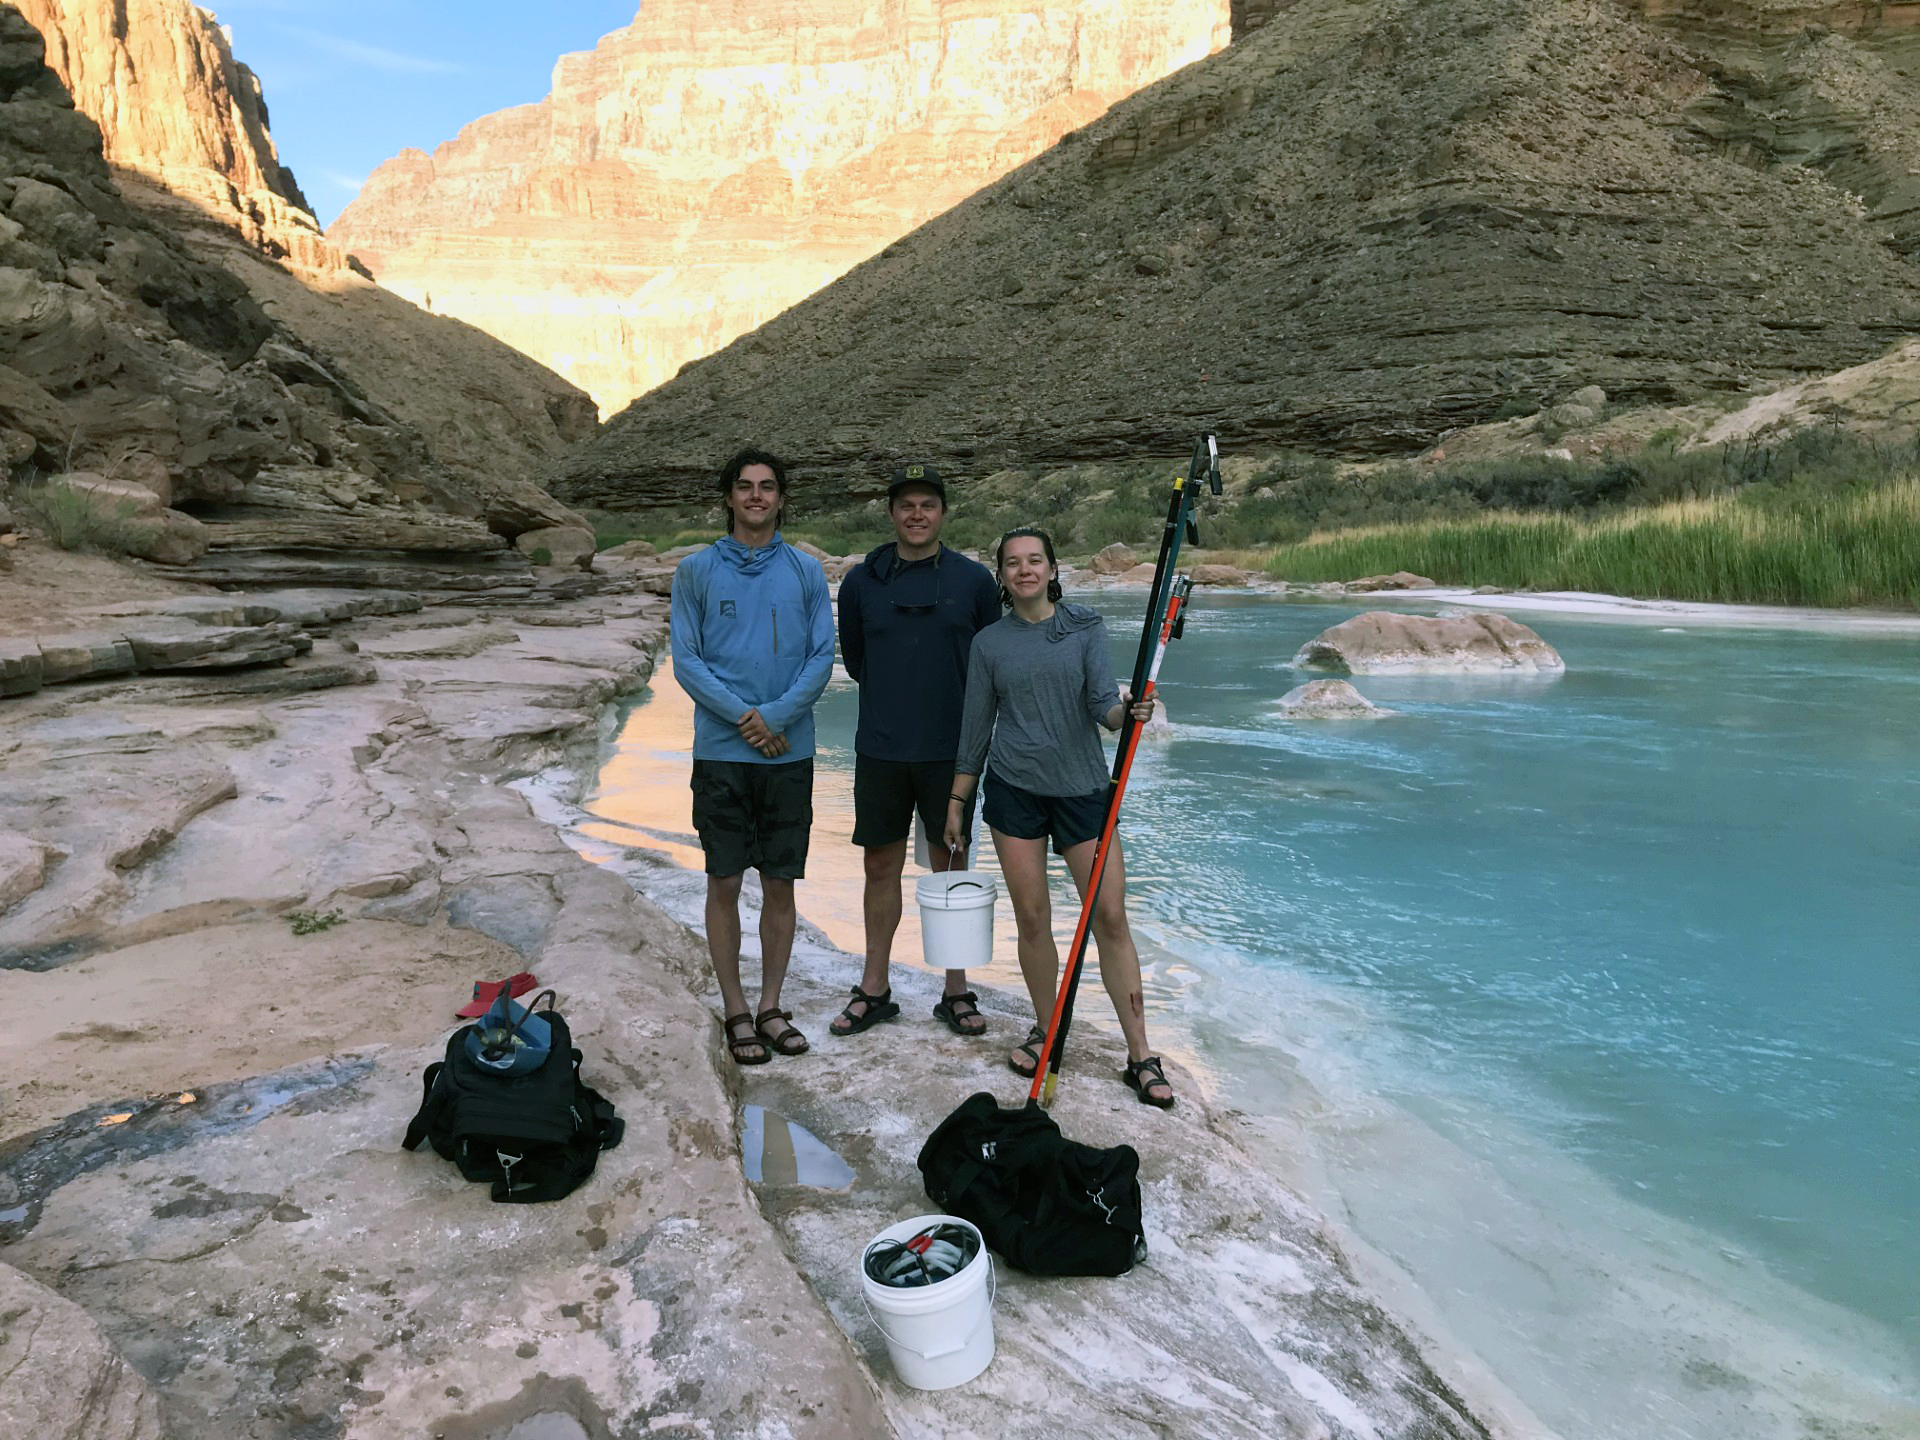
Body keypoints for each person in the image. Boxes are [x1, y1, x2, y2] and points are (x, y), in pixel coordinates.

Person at [944, 527, 1175, 1107]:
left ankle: (1141, 1054)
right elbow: (975, 728)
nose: (1025, 570)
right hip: (1014, 792)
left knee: (1110, 918)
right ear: (1001, 575)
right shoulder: (989, 643)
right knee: (1032, 918)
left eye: (1035, 560)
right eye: (1013, 563)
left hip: (1082, 791)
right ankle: (1048, 1032)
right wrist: (957, 802)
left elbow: (1103, 705)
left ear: (1052, 568)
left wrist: (1127, 711)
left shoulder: (1085, 626)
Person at [670, 448, 834, 1066]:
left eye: (767, 487)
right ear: (729, 497)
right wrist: (750, 720)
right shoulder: (695, 571)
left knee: (780, 883)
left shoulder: (806, 571)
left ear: (781, 498)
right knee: (724, 880)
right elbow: (687, 660)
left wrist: (777, 717)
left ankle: (771, 1006)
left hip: (788, 754)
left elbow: (821, 656)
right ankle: (735, 1008)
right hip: (722, 755)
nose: (756, 496)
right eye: (745, 487)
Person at [833, 463, 1001, 1039]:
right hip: (880, 749)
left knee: (950, 863)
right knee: (878, 865)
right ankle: (874, 987)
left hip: (951, 752)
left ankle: (955, 990)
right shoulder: (861, 582)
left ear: (943, 513)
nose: (917, 514)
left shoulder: (974, 581)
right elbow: (857, 661)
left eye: (928, 504)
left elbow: (990, 663)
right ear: (891, 514)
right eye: (906, 505)